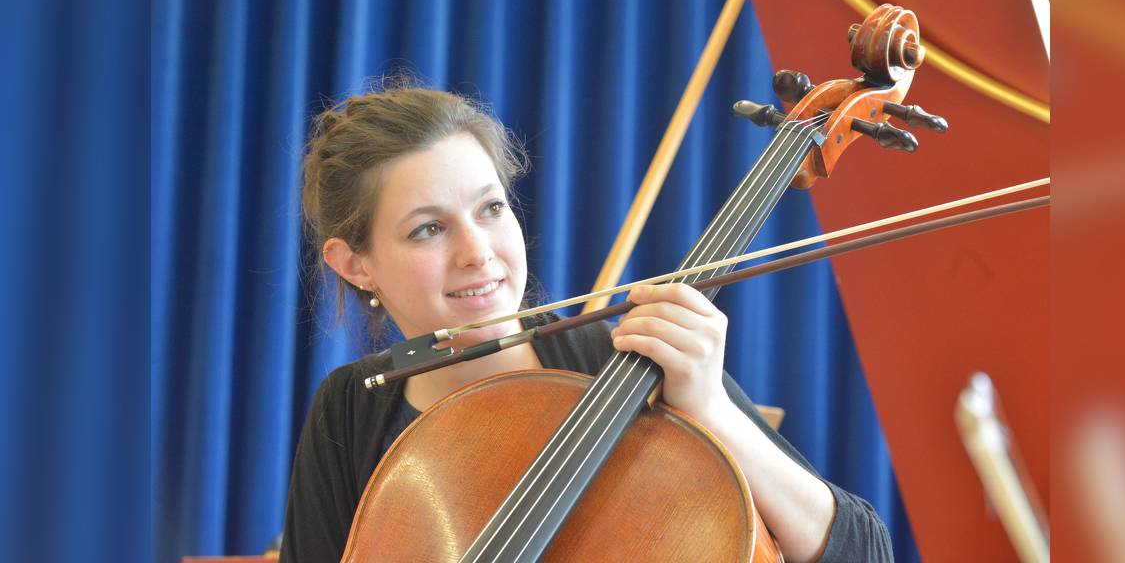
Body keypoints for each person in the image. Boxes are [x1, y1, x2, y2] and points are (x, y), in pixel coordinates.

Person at [280, 83, 894, 562]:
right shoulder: (351, 410)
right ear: (355, 264)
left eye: (491, 209)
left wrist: (710, 408)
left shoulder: (631, 357)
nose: (478, 252)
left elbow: (864, 551)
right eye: (428, 229)